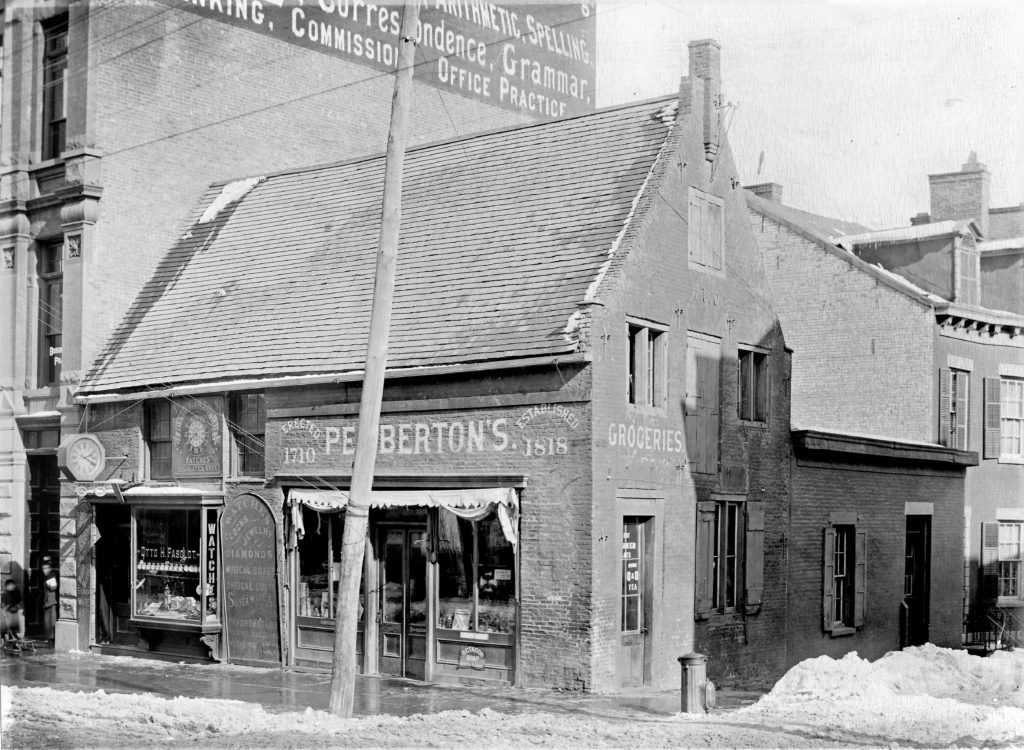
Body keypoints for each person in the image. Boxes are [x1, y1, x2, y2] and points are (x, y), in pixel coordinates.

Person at [41, 556, 58, 642]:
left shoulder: (51, 576)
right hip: (46, 600)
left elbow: (53, 587)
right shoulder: (47, 576)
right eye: (43, 568)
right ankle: (48, 637)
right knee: (47, 620)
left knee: (51, 620)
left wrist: (49, 583)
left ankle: (52, 637)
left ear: (50, 568)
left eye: (46, 568)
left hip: (51, 601)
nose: (44, 570)